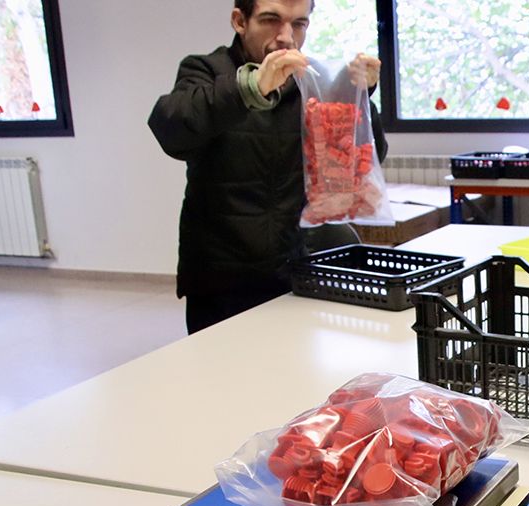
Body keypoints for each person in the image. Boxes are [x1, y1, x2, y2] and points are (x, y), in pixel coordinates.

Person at [148, 0, 387, 334]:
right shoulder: (205, 71)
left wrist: (358, 95)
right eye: (271, 20)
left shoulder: (311, 83)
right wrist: (251, 87)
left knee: (291, 377)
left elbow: (366, 158)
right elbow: (171, 127)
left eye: (299, 24)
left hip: (294, 273)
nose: (286, 37)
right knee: (220, 380)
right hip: (220, 280)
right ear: (239, 21)